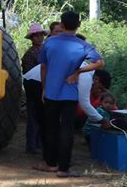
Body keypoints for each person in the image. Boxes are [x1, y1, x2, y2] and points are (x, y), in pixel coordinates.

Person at [36, 11, 104, 177]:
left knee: (51, 128)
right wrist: (79, 71)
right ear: (78, 25)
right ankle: (63, 168)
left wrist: (44, 88)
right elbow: (100, 63)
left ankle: (50, 163)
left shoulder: (50, 42)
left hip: (51, 92)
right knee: (67, 130)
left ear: (62, 24)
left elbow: (43, 67)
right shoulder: (82, 45)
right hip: (70, 94)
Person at [22, 23, 47, 154]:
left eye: (41, 35)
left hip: (41, 86)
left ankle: (37, 144)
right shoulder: (30, 54)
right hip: (33, 87)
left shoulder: (43, 51)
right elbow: (29, 74)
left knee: (40, 116)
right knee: (33, 116)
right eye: (36, 36)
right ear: (32, 38)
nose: (39, 38)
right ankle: (32, 145)